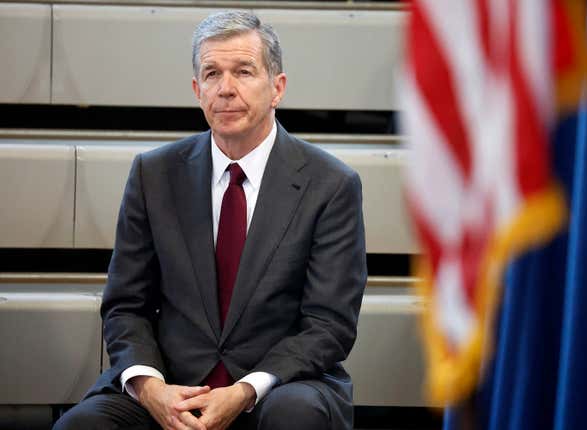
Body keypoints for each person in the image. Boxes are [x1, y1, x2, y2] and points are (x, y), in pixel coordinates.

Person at [54, 10, 366, 430]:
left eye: (243, 71)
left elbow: (329, 325)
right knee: (83, 426)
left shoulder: (331, 184)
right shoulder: (154, 174)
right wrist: (152, 389)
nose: (226, 89)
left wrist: (244, 390)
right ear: (197, 90)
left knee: (295, 415)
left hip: (279, 387)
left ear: (278, 88)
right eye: (213, 74)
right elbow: (126, 306)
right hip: (173, 386)